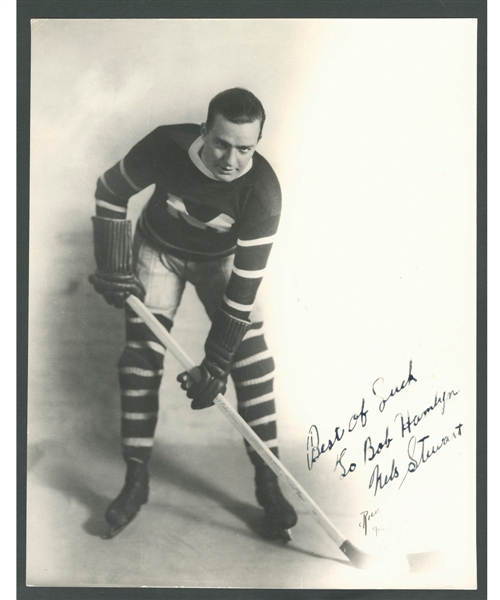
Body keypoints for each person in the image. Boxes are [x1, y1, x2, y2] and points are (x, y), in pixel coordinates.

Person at [89, 88, 297, 541]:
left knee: (253, 363)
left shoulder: (263, 192)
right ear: (204, 130)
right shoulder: (166, 145)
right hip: (157, 251)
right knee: (140, 361)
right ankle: (136, 478)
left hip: (220, 262)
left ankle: (268, 481)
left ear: (258, 143)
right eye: (221, 143)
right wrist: (113, 265)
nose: (230, 159)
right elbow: (110, 191)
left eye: (245, 148)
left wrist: (216, 362)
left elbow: (242, 291)